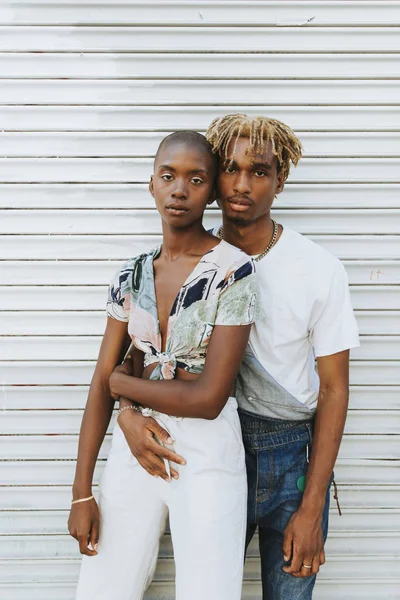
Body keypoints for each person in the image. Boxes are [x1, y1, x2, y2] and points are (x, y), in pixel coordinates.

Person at [122, 114, 360, 599]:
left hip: (290, 456)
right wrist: (126, 414)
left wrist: (312, 504)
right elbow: (142, 351)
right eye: (230, 168)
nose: (243, 184)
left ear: (281, 179)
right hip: (206, 443)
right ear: (212, 179)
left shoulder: (319, 268)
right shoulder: (189, 257)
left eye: (260, 170)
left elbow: (335, 387)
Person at [68, 130, 260, 600]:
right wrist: (81, 492)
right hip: (134, 445)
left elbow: (210, 398)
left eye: (196, 179)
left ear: (212, 191)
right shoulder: (131, 274)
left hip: (207, 452)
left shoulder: (233, 270)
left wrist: (122, 385)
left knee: (209, 591)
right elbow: (101, 382)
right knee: (104, 588)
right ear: (150, 183)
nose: (179, 190)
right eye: (168, 176)